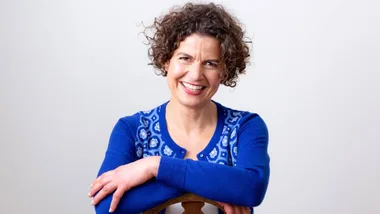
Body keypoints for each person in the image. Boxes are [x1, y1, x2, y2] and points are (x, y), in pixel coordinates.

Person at [88, 2, 270, 214]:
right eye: (185, 58)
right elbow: (105, 205)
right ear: (166, 60)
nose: (195, 74)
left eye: (210, 63)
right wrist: (220, 186)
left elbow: (252, 188)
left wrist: (154, 167)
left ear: (225, 70)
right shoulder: (133, 129)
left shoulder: (245, 127)